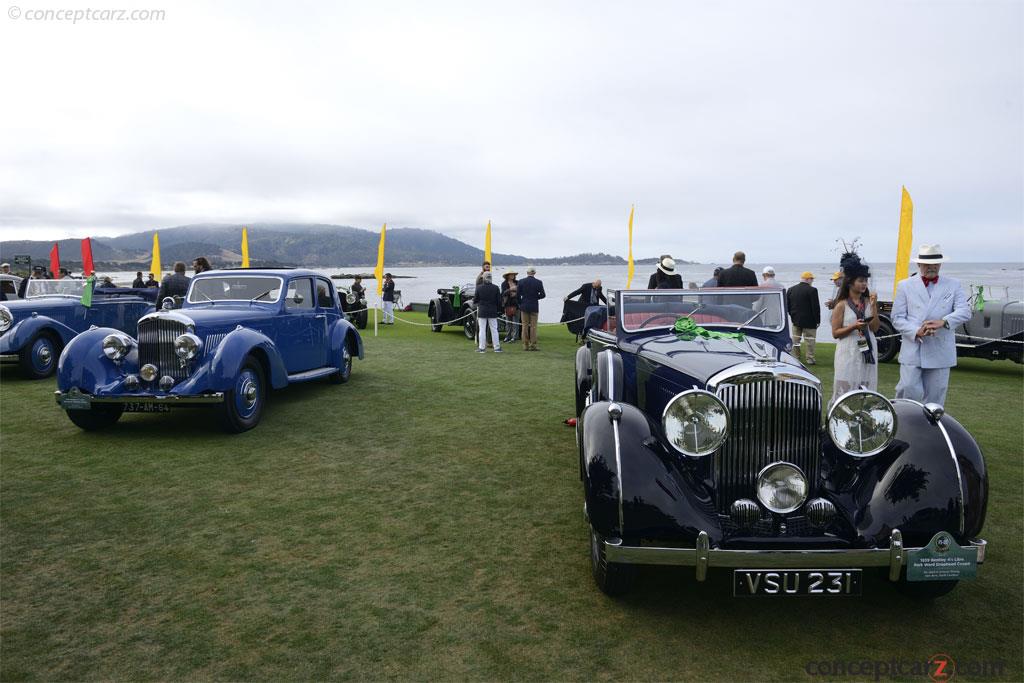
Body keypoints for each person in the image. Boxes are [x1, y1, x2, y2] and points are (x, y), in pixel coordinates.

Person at [891, 244, 971, 407]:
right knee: (908, 390)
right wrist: (916, 331)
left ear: (940, 264)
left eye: (935, 263)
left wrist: (944, 321)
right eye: (927, 264)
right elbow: (897, 318)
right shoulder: (904, 285)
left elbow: (965, 311)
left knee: (935, 399)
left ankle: (932, 430)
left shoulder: (953, 284)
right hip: (913, 348)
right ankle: (903, 425)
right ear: (919, 264)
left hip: (940, 350)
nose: (932, 267)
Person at [830, 252, 880, 405]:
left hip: (868, 348)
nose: (864, 284)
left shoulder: (868, 302)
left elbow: (875, 328)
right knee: (845, 386)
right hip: (848, 350)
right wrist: (853, 326)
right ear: (850, 282)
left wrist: (873, 306)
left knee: (865, 387)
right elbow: (835, 333)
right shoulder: (841, 305)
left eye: (866, 281)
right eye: (861, 281)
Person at [787, 272, 820, 365]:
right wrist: (818, 320)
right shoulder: (812, 290)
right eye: (812, 279)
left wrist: (792, 315)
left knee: (796, 340)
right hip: (810, 320)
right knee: (810, 341)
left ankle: (795, 357)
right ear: (808, 279)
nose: (812, 281)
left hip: (795, 319)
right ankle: (810, 359)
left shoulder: (791, 289)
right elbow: (815, 307)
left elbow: (787, 305)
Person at [517, 266, 545, 351]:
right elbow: (543, 295)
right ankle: (533, 345)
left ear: (527, 273)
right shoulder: (539, 282)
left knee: (524, 326)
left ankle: (525, 345)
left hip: (524, 305)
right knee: (533, 327)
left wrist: (520, 303)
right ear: (534, 273)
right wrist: (536, 297)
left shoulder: (521, 281)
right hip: (534, 306)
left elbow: (518, 294)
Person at [474, 273, 503, 353]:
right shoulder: (496, 288)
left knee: (482, 330)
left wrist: (480, 303)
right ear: (491, 278)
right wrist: (499, 310)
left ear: (483, 278)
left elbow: (475, 300)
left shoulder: (479, 288)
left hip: (482, 310)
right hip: (493, 310)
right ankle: (497, 348)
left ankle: (482, 348)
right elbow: (499, 301)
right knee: (494, 329)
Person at [501, 272, 519, 343]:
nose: (512, 276)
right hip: (508, 304)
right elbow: (503, 293)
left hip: (516, 304)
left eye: (513, 275)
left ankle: (515, 337)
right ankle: (508, 336)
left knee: (516, 322)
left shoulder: (517, 282)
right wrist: (511, 289)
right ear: (507, 276)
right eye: (511, 274)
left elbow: (520, 291)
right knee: (508, 322)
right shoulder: (504, 284)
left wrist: (514, 291)